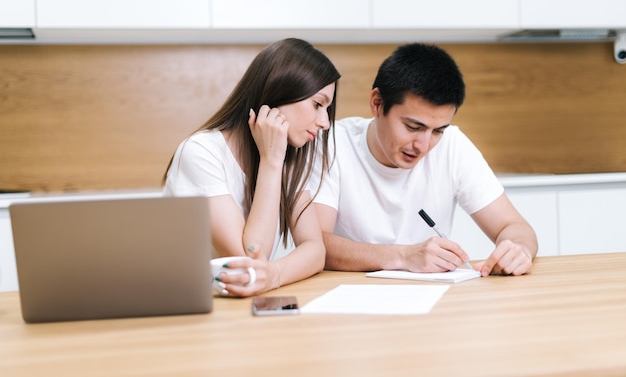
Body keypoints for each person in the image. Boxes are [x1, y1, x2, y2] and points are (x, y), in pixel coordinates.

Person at [311, 43, 537, 277]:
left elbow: (516, 228)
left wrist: (518, 250)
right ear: (377, 103)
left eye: (438, 130)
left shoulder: (453, 145)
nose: (423, 145)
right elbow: (316, 245)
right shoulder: (331, 144)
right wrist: (404, 256)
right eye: (412, 127)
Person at [163, 38, 340, 296]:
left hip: (244, 307)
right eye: (317, 104)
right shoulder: (201, 152)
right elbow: (249, 258)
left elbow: (315, 250)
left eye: (327, 108)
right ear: (280, 92)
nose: (324, 121)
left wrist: (275, 275)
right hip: (191, 306)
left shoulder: (287, 158)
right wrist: (271, 161)